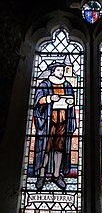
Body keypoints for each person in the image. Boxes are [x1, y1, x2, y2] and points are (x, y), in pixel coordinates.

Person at [33, 61, 76, 190]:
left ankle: (57, 175)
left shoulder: (67, 85)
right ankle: (42, 175)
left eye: (62, 70)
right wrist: (49, 99)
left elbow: (72, 101)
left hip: (62, 121)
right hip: (48, 123)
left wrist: (70, 101)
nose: (61, 72)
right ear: (53, 71)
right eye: (58, 70)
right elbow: (37, 101)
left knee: (59, 148)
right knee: (46, 148)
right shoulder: (45, 84)